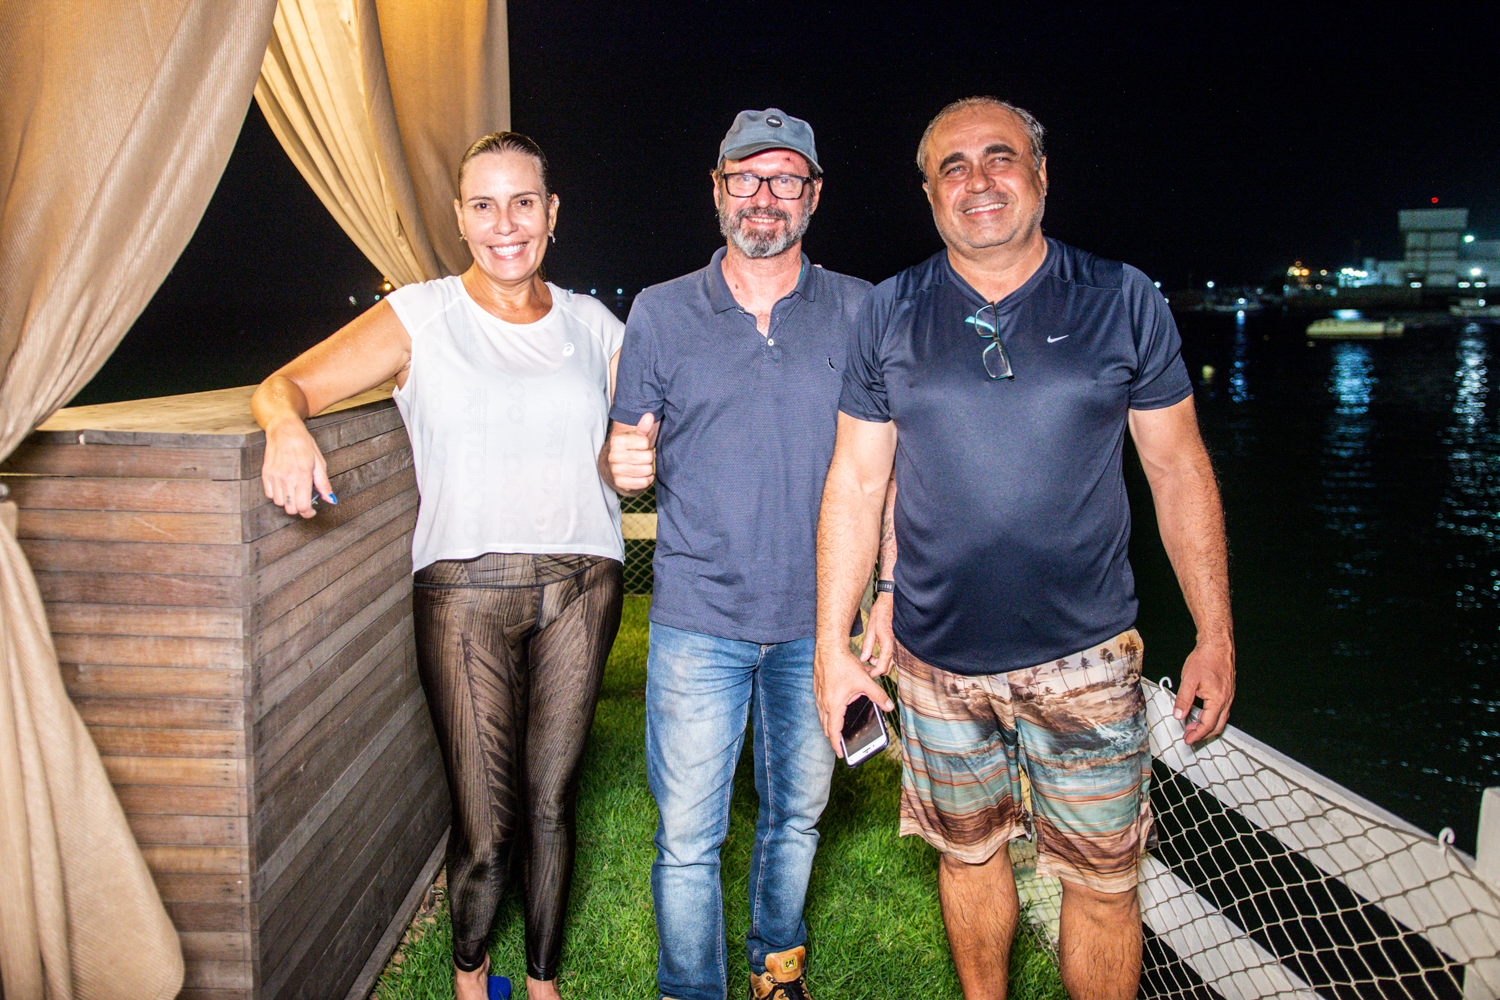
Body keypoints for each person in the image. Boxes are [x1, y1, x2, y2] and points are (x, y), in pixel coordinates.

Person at [814, 97, 1236, 1000]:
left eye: (999, 157)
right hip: (936, 664)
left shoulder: (1122, 298)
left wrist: (1215, 632)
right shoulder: (889, 312)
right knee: (967, 860)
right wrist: (831, 646)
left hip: (1088, 660)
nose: (978, 180)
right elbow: (855, 479)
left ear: (1041, 175)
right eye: (952, 167)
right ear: (929, 194)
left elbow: (1178, 470)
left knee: (1104, 885)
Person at [253, 132, 624, 1000]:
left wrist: (640, 453)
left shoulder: (596, 327)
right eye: (484, 205)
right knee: (488, 828)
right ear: (460, 218)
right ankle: (470, 978)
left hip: (584, 581)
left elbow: (644, 436)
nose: (506, 224)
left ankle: (542, 986)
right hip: (463, 593)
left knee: (551, 804)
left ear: (552, 214)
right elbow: (285, 385)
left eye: (523, 202)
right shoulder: (421, 316)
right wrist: (285, 427)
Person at [602, 108, 871, 1000]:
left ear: (814, 195)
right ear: (717, 191)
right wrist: (618, 461)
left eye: (785, 178)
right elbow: (626, 449)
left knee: (797, 818)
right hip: (697, 621)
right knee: (687, 837)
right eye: (746, 178)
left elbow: (891, 467)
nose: (764, 196)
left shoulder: (863, 310)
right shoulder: (660, 311)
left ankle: (776, 967)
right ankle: (691, 990)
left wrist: (888, 598)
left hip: (819, 627)